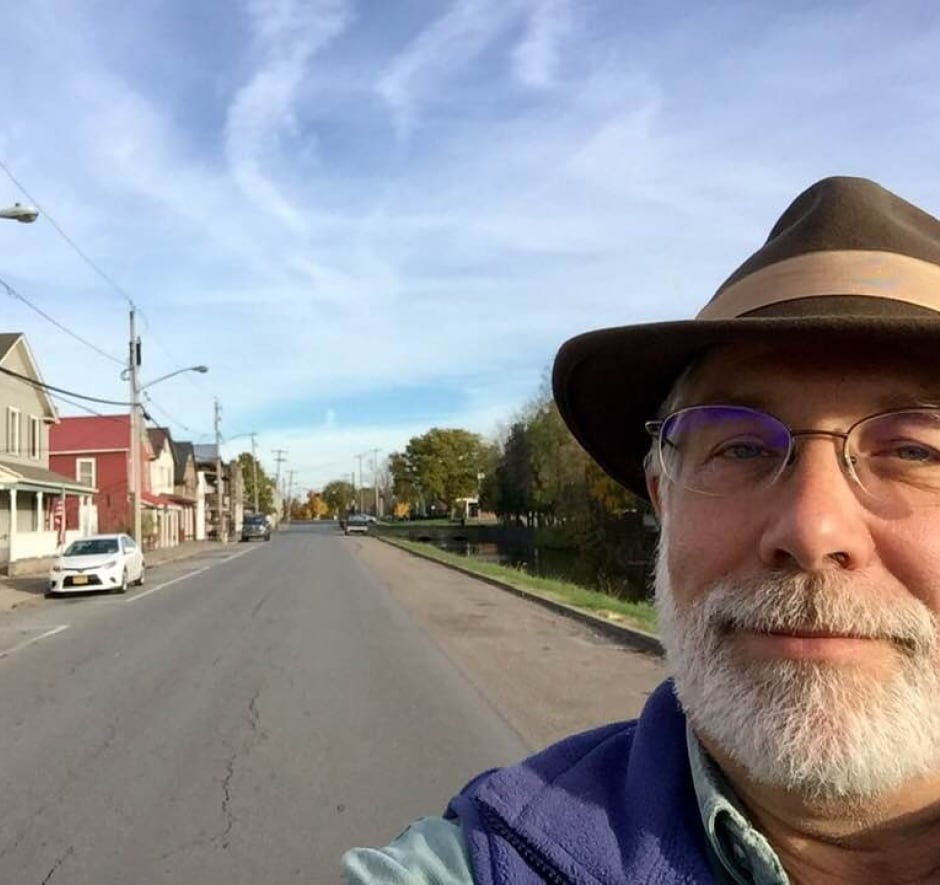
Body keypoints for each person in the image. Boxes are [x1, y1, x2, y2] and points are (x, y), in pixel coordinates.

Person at [342, 176, 940, 884]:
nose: (812, 527)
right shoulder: (487, 863)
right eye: (741, 447)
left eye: (914, 451)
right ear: (663, 497)